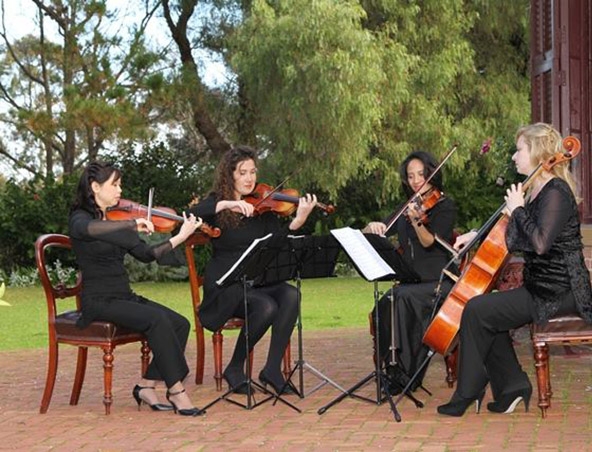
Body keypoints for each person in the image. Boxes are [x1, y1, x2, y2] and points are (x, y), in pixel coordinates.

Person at [437, 123, 592, 417]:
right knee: (485, 311)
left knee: (477, 310)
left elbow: (541, 243)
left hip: (562, 291)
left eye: (519, 149)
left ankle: (468, 392)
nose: (513, 157)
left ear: (536, 152)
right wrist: (477, 234)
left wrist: (518, 210)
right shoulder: (536, 190)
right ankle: (512, 387)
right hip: (542, 287)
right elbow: (514, 235)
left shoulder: (555, 192)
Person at [69, 161, 204, 416]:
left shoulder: (119, 220)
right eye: (115, 184)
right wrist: (132, 225)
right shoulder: (81, 218)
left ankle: (146, 386)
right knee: (156, 319)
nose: (120, 190)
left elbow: (147, 254)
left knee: (180, 323)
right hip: (99, 301)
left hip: (122, 296)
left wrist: (181, 236)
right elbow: (88, 230)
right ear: (95, 187)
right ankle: (176, 391)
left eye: (120, 184)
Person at [187, 145, 317, 395]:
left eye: (252, 172)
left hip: (256, 281)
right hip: (226, 286)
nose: (249, 178)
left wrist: (297, 221)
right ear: (230, 175)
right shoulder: (216, 204)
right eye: (242, 172)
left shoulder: (264, 207)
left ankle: (271, 370)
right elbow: (188, 215)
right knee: (266, 306)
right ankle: (235, 368)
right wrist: (226, 205)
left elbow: (277, 244)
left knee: (291, 295)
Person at [362, 150, 457, 394]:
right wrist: (371, 227)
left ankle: (407, 376)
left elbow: (427, 242)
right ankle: (393, 371)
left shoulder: (445, 206)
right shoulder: (407, 207)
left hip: (439, 280)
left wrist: (417, 221)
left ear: (432, 174)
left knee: (401, 298)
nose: (416, 181)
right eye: (411, 176)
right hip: (413, 280)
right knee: (386, 303)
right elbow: (375, 230)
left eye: (421, 174)